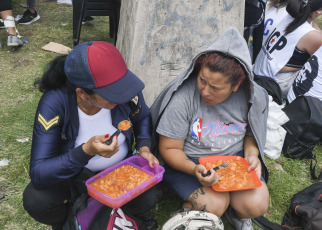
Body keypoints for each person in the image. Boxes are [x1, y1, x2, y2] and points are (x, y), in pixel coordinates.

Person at [22, 41, 161, 230]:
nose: (122, 96)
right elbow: (39, 172)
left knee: (149, 196)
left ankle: (95, 213)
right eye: (112, 94)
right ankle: (73, 219)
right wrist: (85, 151)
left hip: (116, 172)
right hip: (74, 177)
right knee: (37, 200)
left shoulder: (123, 88)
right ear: (82, 93)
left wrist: (143, 147)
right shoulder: (55, 102)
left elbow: (142, 117)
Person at [150, 27, 270, 230]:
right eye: (202, 80)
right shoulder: (183, 97)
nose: (205, 91)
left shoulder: (252, 97)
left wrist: (252, 153)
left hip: (232, 162)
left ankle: (237, 213)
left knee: (257, 204)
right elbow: (169, 148)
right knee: (214, 204)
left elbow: (251, 133)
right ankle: (187, 214)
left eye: (215, 88)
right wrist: (194, 169)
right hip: (189, 164)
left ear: (236, 84)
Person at [253, 0, 322, 98]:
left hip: (258, 73)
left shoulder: (292, 16)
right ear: (318, 11)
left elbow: (313, 26)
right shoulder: (313, 37)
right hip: (273, 86)